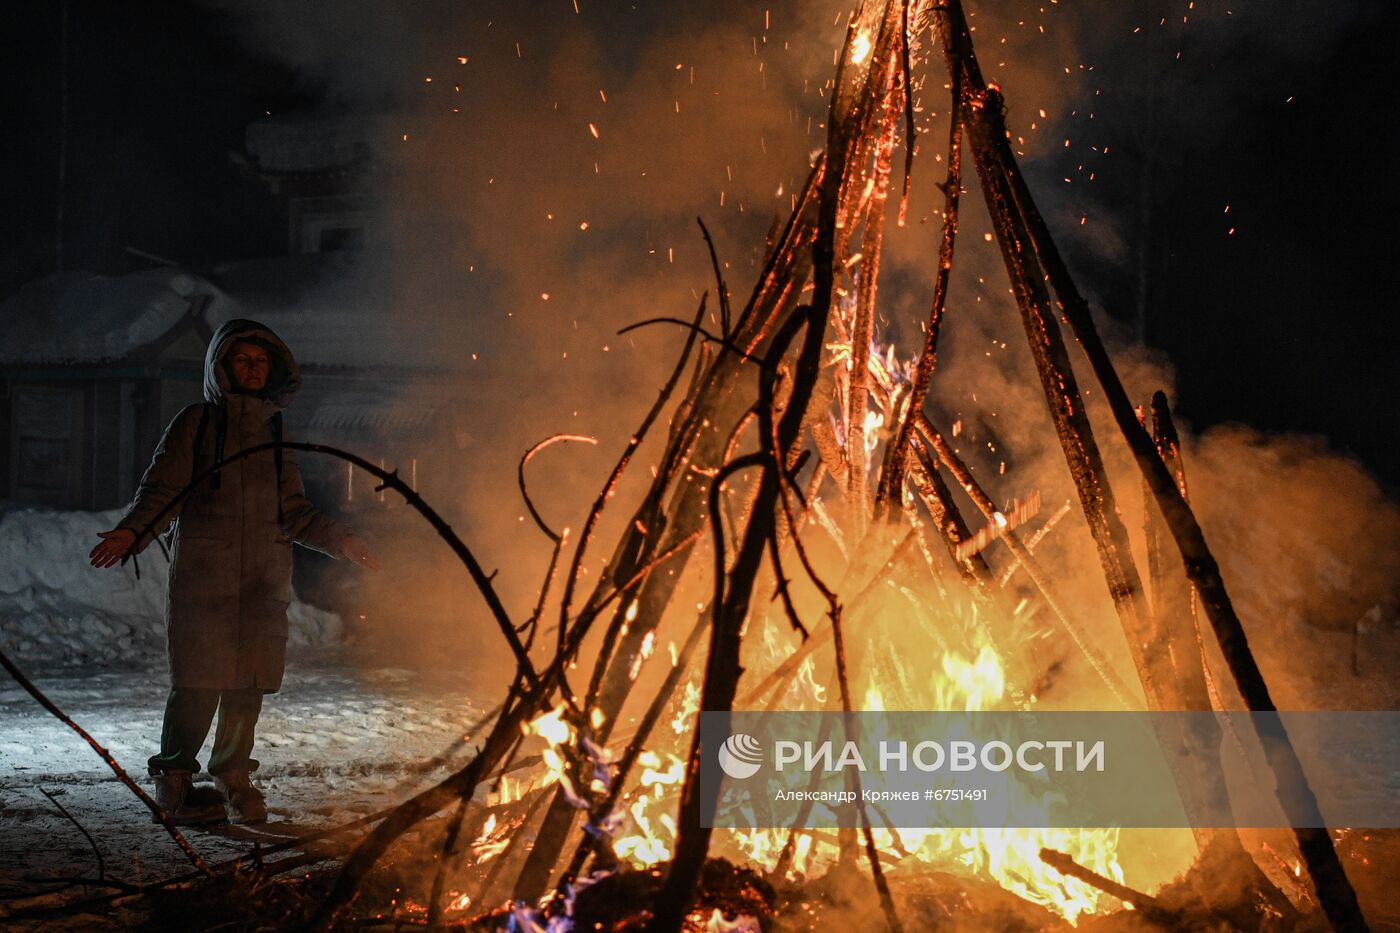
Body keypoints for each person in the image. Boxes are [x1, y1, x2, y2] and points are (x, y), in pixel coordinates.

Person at [89, 319, 379, 825]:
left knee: (249, 684)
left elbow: (295, 510)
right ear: (220, 367)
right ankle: (175, 778)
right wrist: (131, 533)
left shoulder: (275, 434)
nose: (252, 368)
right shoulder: (196, 423)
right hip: (205, 581)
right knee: (198, 682)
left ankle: (233, 774)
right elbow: (162, 492)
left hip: (263, 582)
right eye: (242, 360)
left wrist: (342, 540)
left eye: (260, 361)